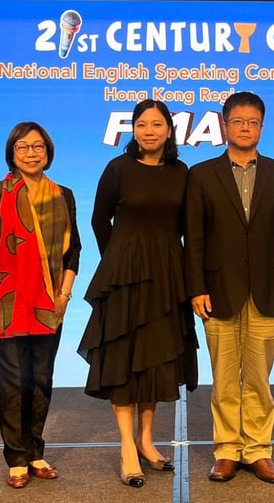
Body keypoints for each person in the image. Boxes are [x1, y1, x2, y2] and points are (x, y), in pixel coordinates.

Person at [78, 100, 198, 488]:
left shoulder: (182, 173)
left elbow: (188, 227)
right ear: (133, 130)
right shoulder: (118, 169)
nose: (149, 130)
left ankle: (147, 440)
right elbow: (99, 219)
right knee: (124, 359)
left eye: (156, 124)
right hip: (125, 276)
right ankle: (127, 447)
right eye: (141, 124)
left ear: (169, 130)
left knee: (157, 360)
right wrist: (117, 259)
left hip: (167, 273)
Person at [185, 91, 274, 484]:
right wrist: (196, 287)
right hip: (217, 290)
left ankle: (258, 450)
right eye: (238, 121)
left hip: (269, 290)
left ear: (262, 127)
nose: (245, 128)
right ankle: (227, 450)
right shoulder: (200, 175)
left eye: (253, 122)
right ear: (224, 125)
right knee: (223, 377)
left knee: (258, 378)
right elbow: (194, 237)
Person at [0, 122, 81, 489]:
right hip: (7, 302)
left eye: (38, 146)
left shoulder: (63, 195)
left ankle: (36, 452)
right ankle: (16, 458)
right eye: (23, 147)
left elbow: (74, 252)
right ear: (12, 153)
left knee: (41, 379)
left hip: (51, 301)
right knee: (13, 381)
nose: (31, 153)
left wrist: (63, 295)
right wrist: (11, 291)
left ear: (48, 151)